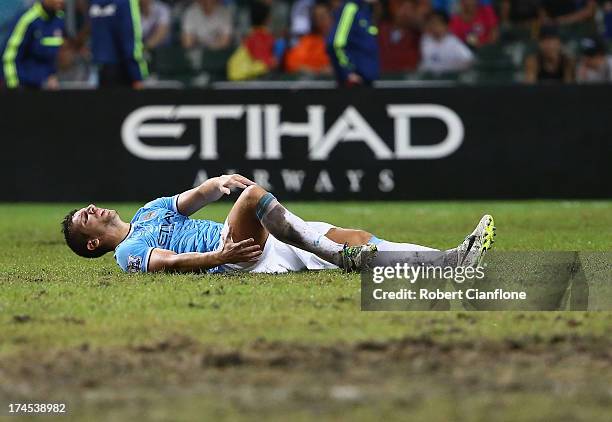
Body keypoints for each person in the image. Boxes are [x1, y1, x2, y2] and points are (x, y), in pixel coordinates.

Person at [61, 174, 496, 275]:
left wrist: (218, 182)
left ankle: (451, 261)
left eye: (88, 207)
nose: (93, 208)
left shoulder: (150, 211)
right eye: (86, 217)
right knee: (253, 196)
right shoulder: (125, 252)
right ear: (93, 244)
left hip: (267, 237)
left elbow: (197, 197)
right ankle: (335, 256)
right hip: (236, 249)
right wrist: (219, 255)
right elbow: (170, 262)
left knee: (361, 240)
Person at [0, 0, 65, 90]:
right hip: (23, 87)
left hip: (46, 88)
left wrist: (52, 76)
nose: (61, 1)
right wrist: (14, 87)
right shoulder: (27, 19)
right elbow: (8, 57)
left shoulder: (60, 18)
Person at [89, 0, 148, 88]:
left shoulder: (95, 2)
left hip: (99, 68)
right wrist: (137, 75)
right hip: (123, 71)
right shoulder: (126, 2)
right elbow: (130, 39)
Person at [327, 0, 379, 87]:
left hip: (367, 82)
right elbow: (336, 44)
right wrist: (348, 73)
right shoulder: (350, 9)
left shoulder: (365, 10)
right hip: (353, 85)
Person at [227, 1, 278, 81]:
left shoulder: (252, 34)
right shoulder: (259, 37)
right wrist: (271, 63)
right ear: (267, 19)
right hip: (242, 77)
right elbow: (263, 60)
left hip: (245, 76)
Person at [285, 1, 333, 75]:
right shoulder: (308, 40)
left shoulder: (346, 38)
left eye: (322, 16)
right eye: (316, 18)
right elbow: (292, 62)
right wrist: (317, 71)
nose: (319, 21)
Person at [378, 0, 422, 73]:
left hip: (406, 79)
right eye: (402, 7)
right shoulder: (381, 29)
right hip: (382, 77)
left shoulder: (417, 35)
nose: (405, 12)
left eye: (410, 9)